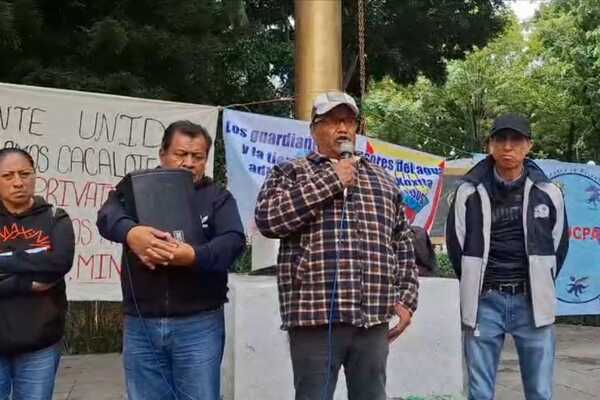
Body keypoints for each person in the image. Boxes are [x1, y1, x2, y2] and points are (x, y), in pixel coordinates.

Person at [255, 91, 419, 400]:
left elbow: (403, 244)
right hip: (314, 316)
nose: (342, 128)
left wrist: (407, 299)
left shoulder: (382, 179)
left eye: (348, 121)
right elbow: (269, 220)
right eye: (331, 121)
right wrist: (332, 179)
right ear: (314, 129)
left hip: (372, 318)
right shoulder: (290, 172)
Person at [97, 120, 245, 400]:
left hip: (199, 323)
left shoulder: (218, 197)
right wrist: (131, 232)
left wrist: (194, 256)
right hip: (142, 323)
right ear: (163, 154)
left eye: (197, 156)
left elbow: (233, 242)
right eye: (180, 154)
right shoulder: (137, 187)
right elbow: (107, 216)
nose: (189, 163)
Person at [446, 113, 569, 400]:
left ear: (529, 145)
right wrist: (476, 283)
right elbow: (456, 246)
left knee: (540, 391)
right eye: (500, 139)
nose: (508, 147)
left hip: (532, 303)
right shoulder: (468, 192)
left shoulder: (548, 192)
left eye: (516, 140)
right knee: (479, 393)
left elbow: (558, 245)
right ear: (490, 145)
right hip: (485, 302)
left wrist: (540, 281)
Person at [0, 148, 75, 400]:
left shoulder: (55, 218)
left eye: (25, 174)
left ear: (35, 175)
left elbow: (59, 263)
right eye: (8, 176)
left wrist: (5, 263)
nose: (18, 182)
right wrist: (23, 282)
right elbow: (46, 264)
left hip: (40, 342)